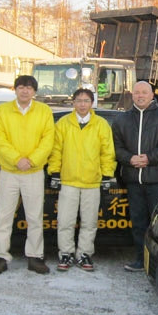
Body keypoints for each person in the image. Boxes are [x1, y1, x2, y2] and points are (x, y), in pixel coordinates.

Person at [0, 75, 55, 275]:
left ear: (34, 91)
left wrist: (32, 160)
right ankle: (0, 257)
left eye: (29, 88)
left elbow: (48, 139)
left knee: (35, 216)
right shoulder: (3, 111)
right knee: (3, 216)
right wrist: (16, 159)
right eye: (21, 87)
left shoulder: (44, 111)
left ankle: (35, 257)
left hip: (34, 172)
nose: (25, 91)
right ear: (15, 90)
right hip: (9, 171)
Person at [48, 88, 116, 272]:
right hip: (68, 181)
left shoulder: (101, 125)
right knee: (65, 221)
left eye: (86, 100)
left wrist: (107, 175)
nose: (82, 104)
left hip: (92, 182)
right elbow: (56, 150)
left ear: (92, 103)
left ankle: (84, 253)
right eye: (79, 100)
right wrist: (54, 172)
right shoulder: (63, 124)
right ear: (73, 103)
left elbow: (107, 152)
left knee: (89, 222)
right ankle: (66, 253)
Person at [112, 81, 158, 272]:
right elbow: (116, 147)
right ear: (132, 95)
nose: (140, 95)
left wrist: (148, 159)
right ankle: (141, 260)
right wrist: (130, 159)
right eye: (137, 92)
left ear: (151, 95)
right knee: (138, 223)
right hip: (133, 180)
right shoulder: (122, 120)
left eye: (144, 92)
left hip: (157, 180)